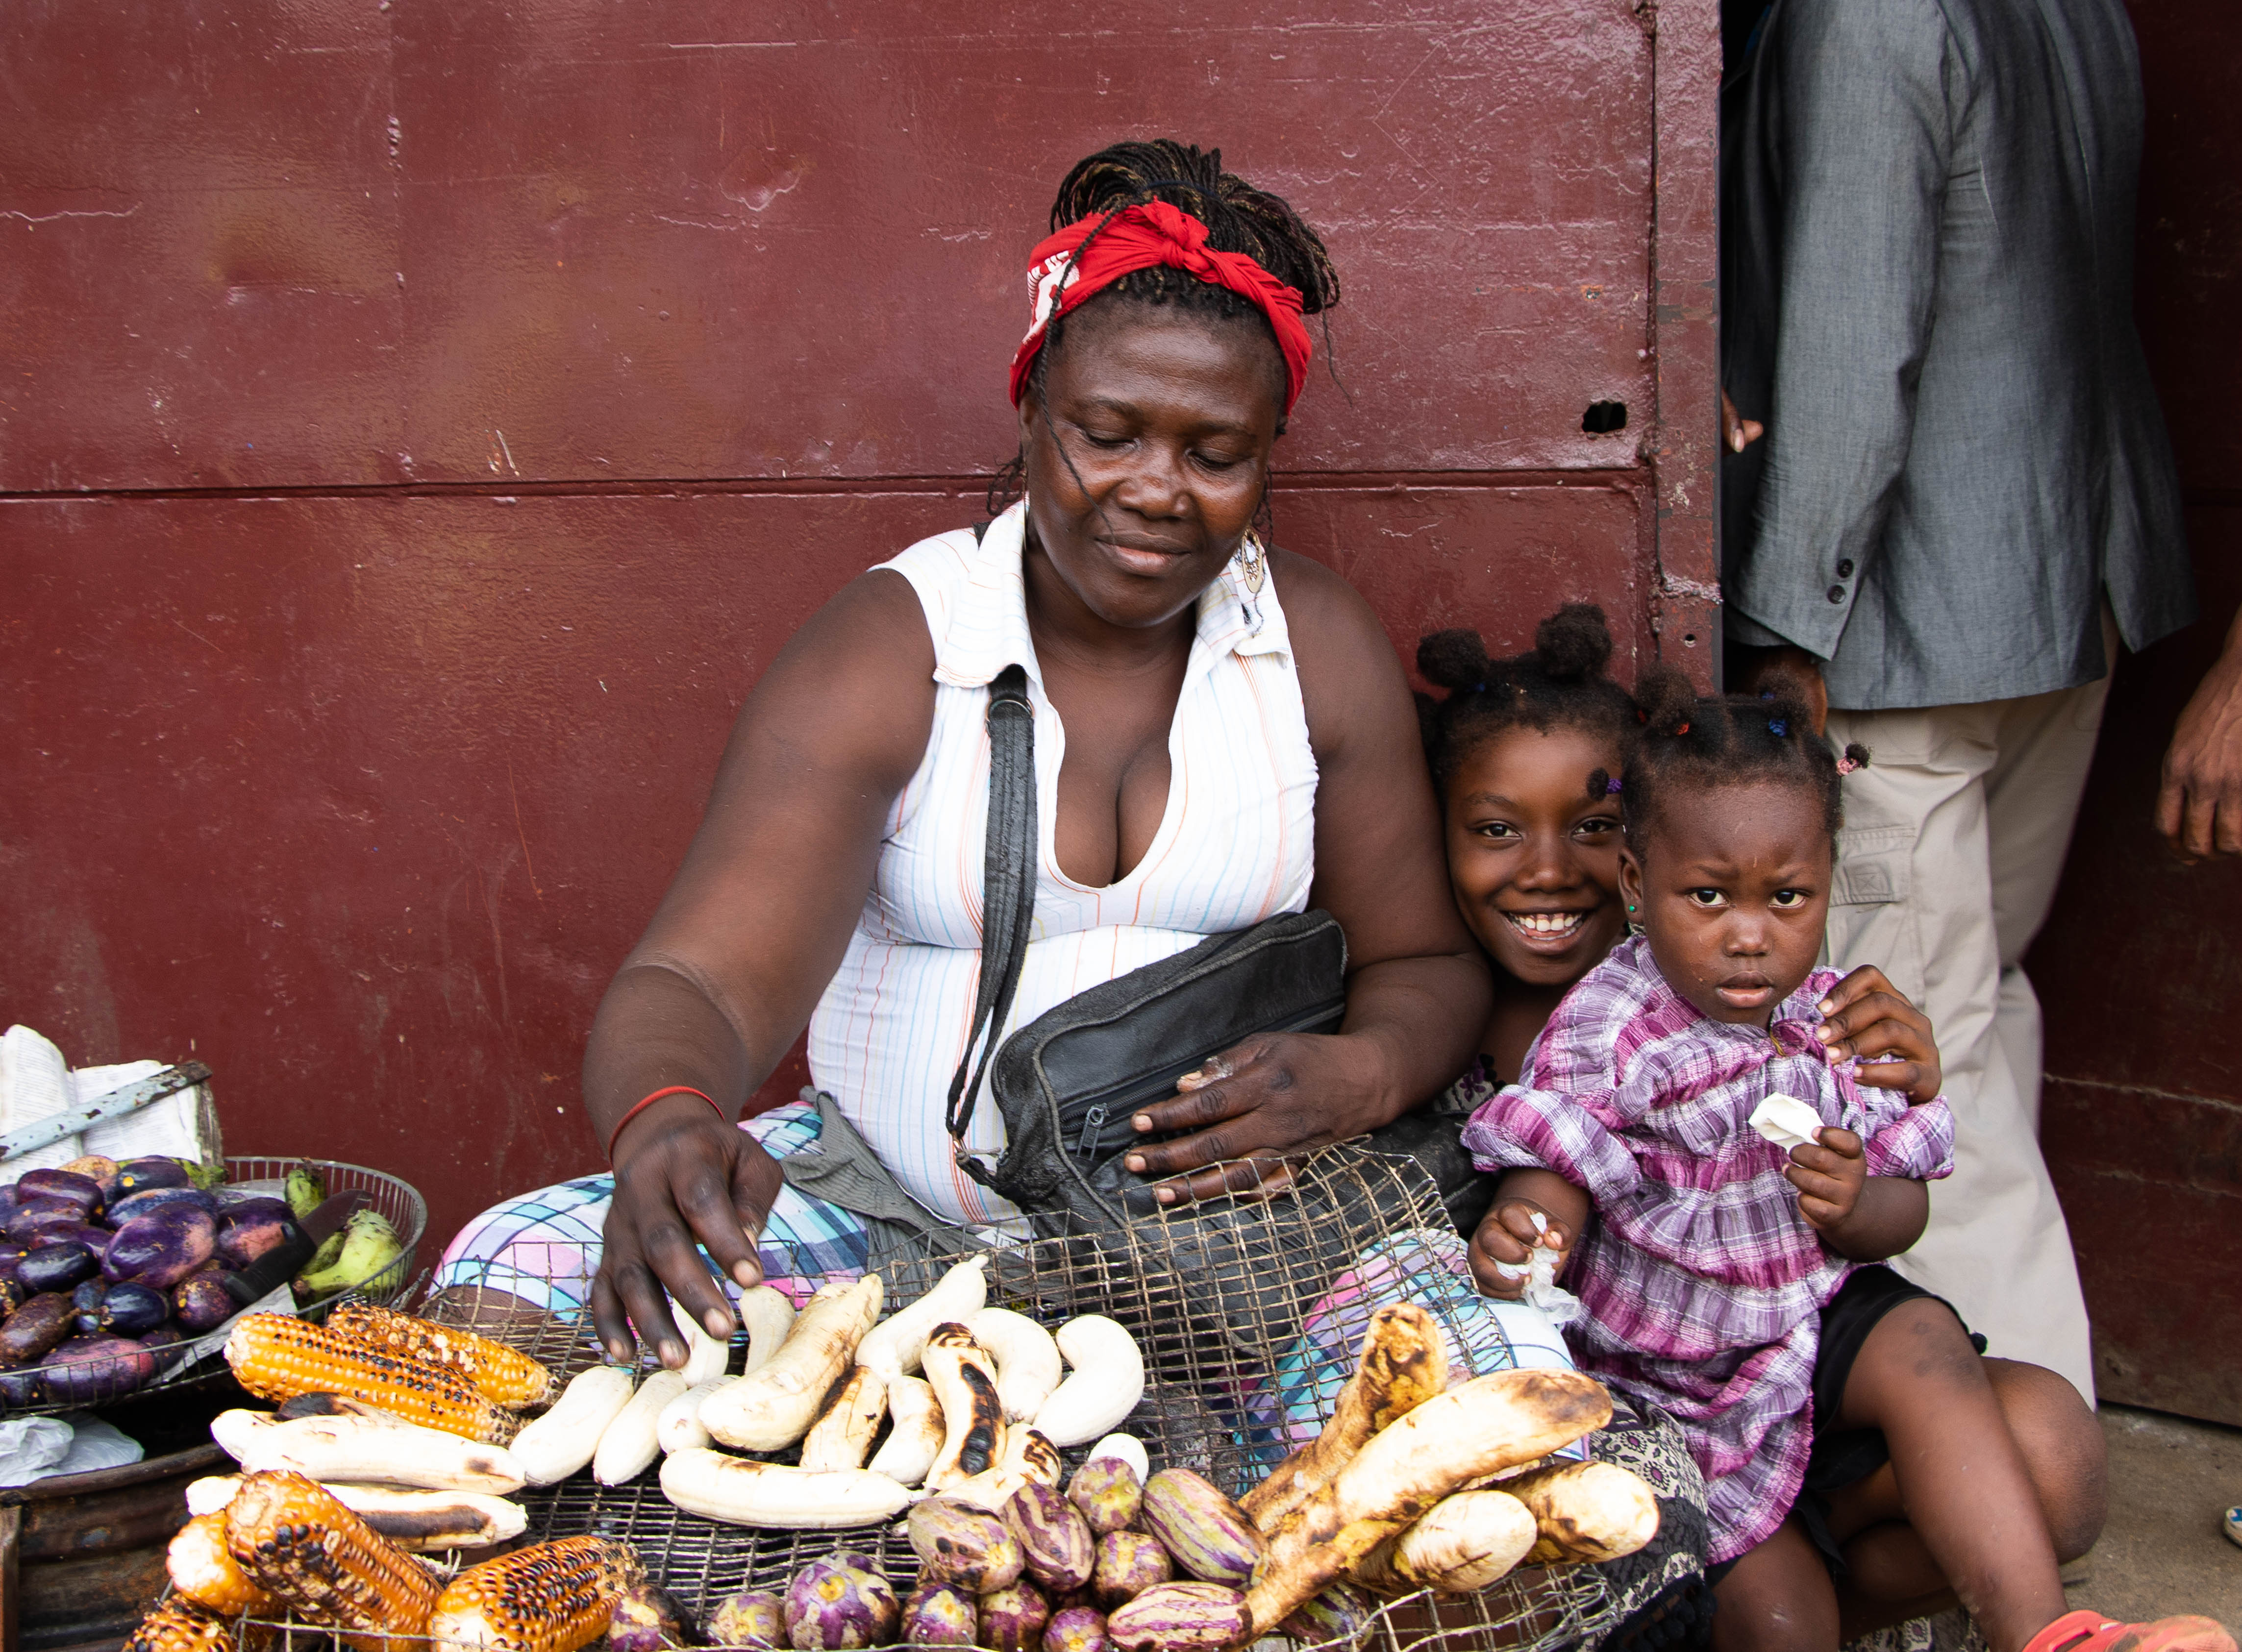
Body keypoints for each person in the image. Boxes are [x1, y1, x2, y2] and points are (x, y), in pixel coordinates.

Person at [433, 139, 1491, 1364]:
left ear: (1265, 460)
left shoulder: (1313, 645)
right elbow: (700, 983)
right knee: (513, 1274)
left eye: (1215, 454)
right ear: (1032, 409)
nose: (1157, 489)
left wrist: (1362, 1076)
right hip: (886, 1221)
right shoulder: (896, 646)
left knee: (1499, 1379)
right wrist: (668, 1123)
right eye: (1108, 433)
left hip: (1229, 1253)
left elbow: (1424, 959)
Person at [1455, 674, 2233, 1652]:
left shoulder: (1835, 1018)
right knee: (1782, 1625)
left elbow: (1903, 1212)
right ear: (1635, 887)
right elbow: (1557, 1158)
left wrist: (1859, 1200)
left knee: (1921, 1343)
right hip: (1679, 1384)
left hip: (1815, 1325)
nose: (1749, 936)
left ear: (1826, 883)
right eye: (1708, 898)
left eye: (1787, 898)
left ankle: (2046, 1635)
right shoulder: (1608, 1025)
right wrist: (1530, 1230)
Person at [1717, 0, 2194, 1404]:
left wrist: (1782, 621)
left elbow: (1853, 342)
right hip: (2063, 583)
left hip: (1907, 622)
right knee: (1980, 1006)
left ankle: (2018, 1470)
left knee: (1911, 1064)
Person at [1414, 607, 1948, 1652]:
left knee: (2045, 1464)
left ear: (1646, 851)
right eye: (1495, 828)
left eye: (1596, 824)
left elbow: (1880, 1188)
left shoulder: (1773, 1005)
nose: (1549, 868)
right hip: (1639, 1418)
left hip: (1793, 1368)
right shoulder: (1450, 1044)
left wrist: (1901, 1079)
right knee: (1775, 1617)